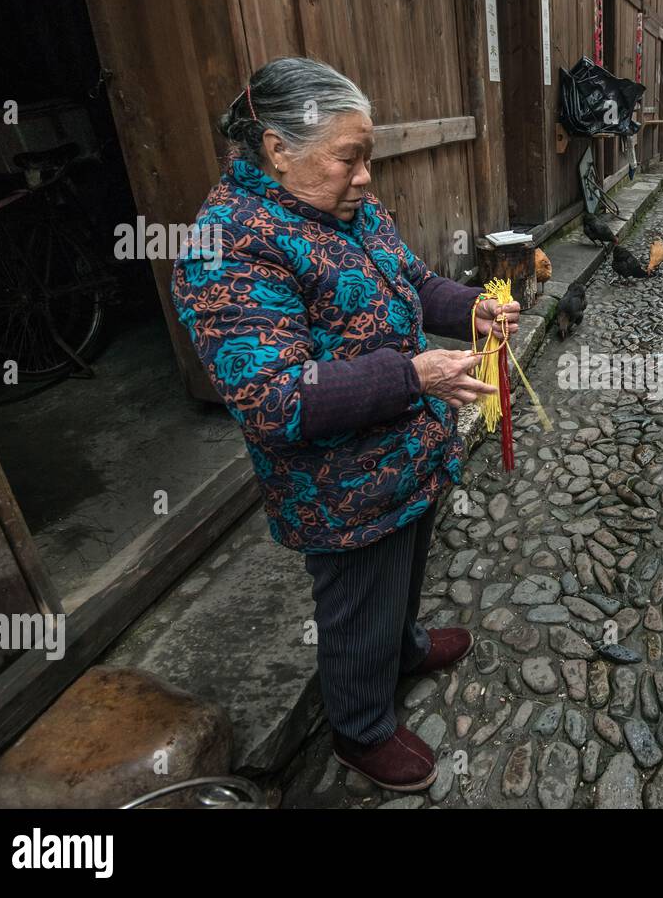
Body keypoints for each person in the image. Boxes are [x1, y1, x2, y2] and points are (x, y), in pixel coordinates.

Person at [171, 57, 520, 791]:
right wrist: (414, 373)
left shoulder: (347, 209)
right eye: (349, 157)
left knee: (407, 563)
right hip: (340, 485)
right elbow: (274, 397)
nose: (365, 176)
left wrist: (470, 309)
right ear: (276, 148)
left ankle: (403, 648)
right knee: (357, 597)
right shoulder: (229, 244)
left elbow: (414, 283)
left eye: (367, 158)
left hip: (408, 451)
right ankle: (360, 729)